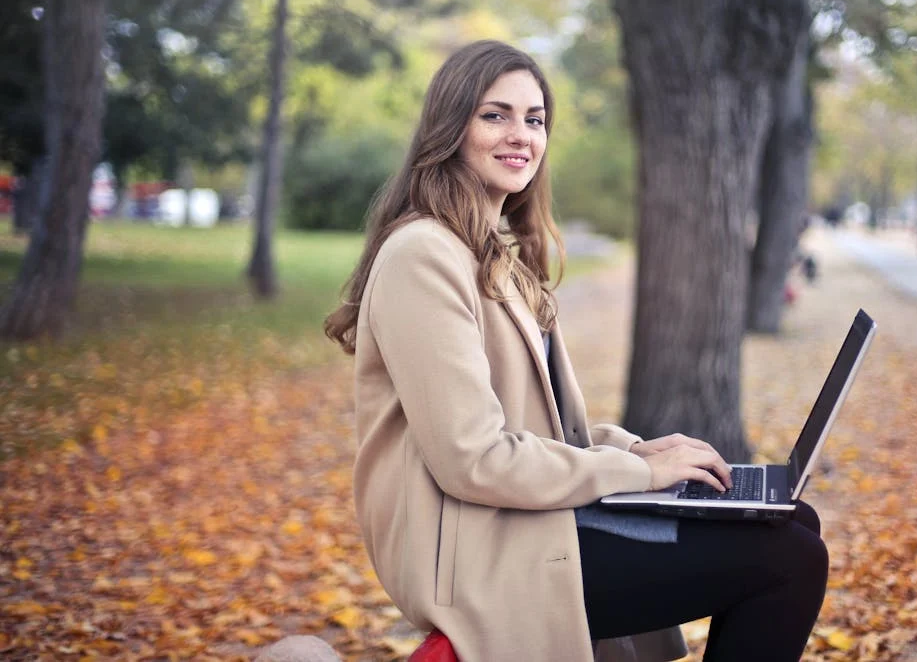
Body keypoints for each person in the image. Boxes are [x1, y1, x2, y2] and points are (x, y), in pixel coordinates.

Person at [325, 40, 829, 662]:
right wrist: (643, 476)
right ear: (450, 127)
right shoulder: (423, 255)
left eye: (534, 119)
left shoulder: (491, 252)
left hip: (523, 520)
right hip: (473, 551)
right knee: (790, 557)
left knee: (792, 521)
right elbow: (473, 458)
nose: (521, 136)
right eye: (495, 115)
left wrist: (636, 449)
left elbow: (546, 430)